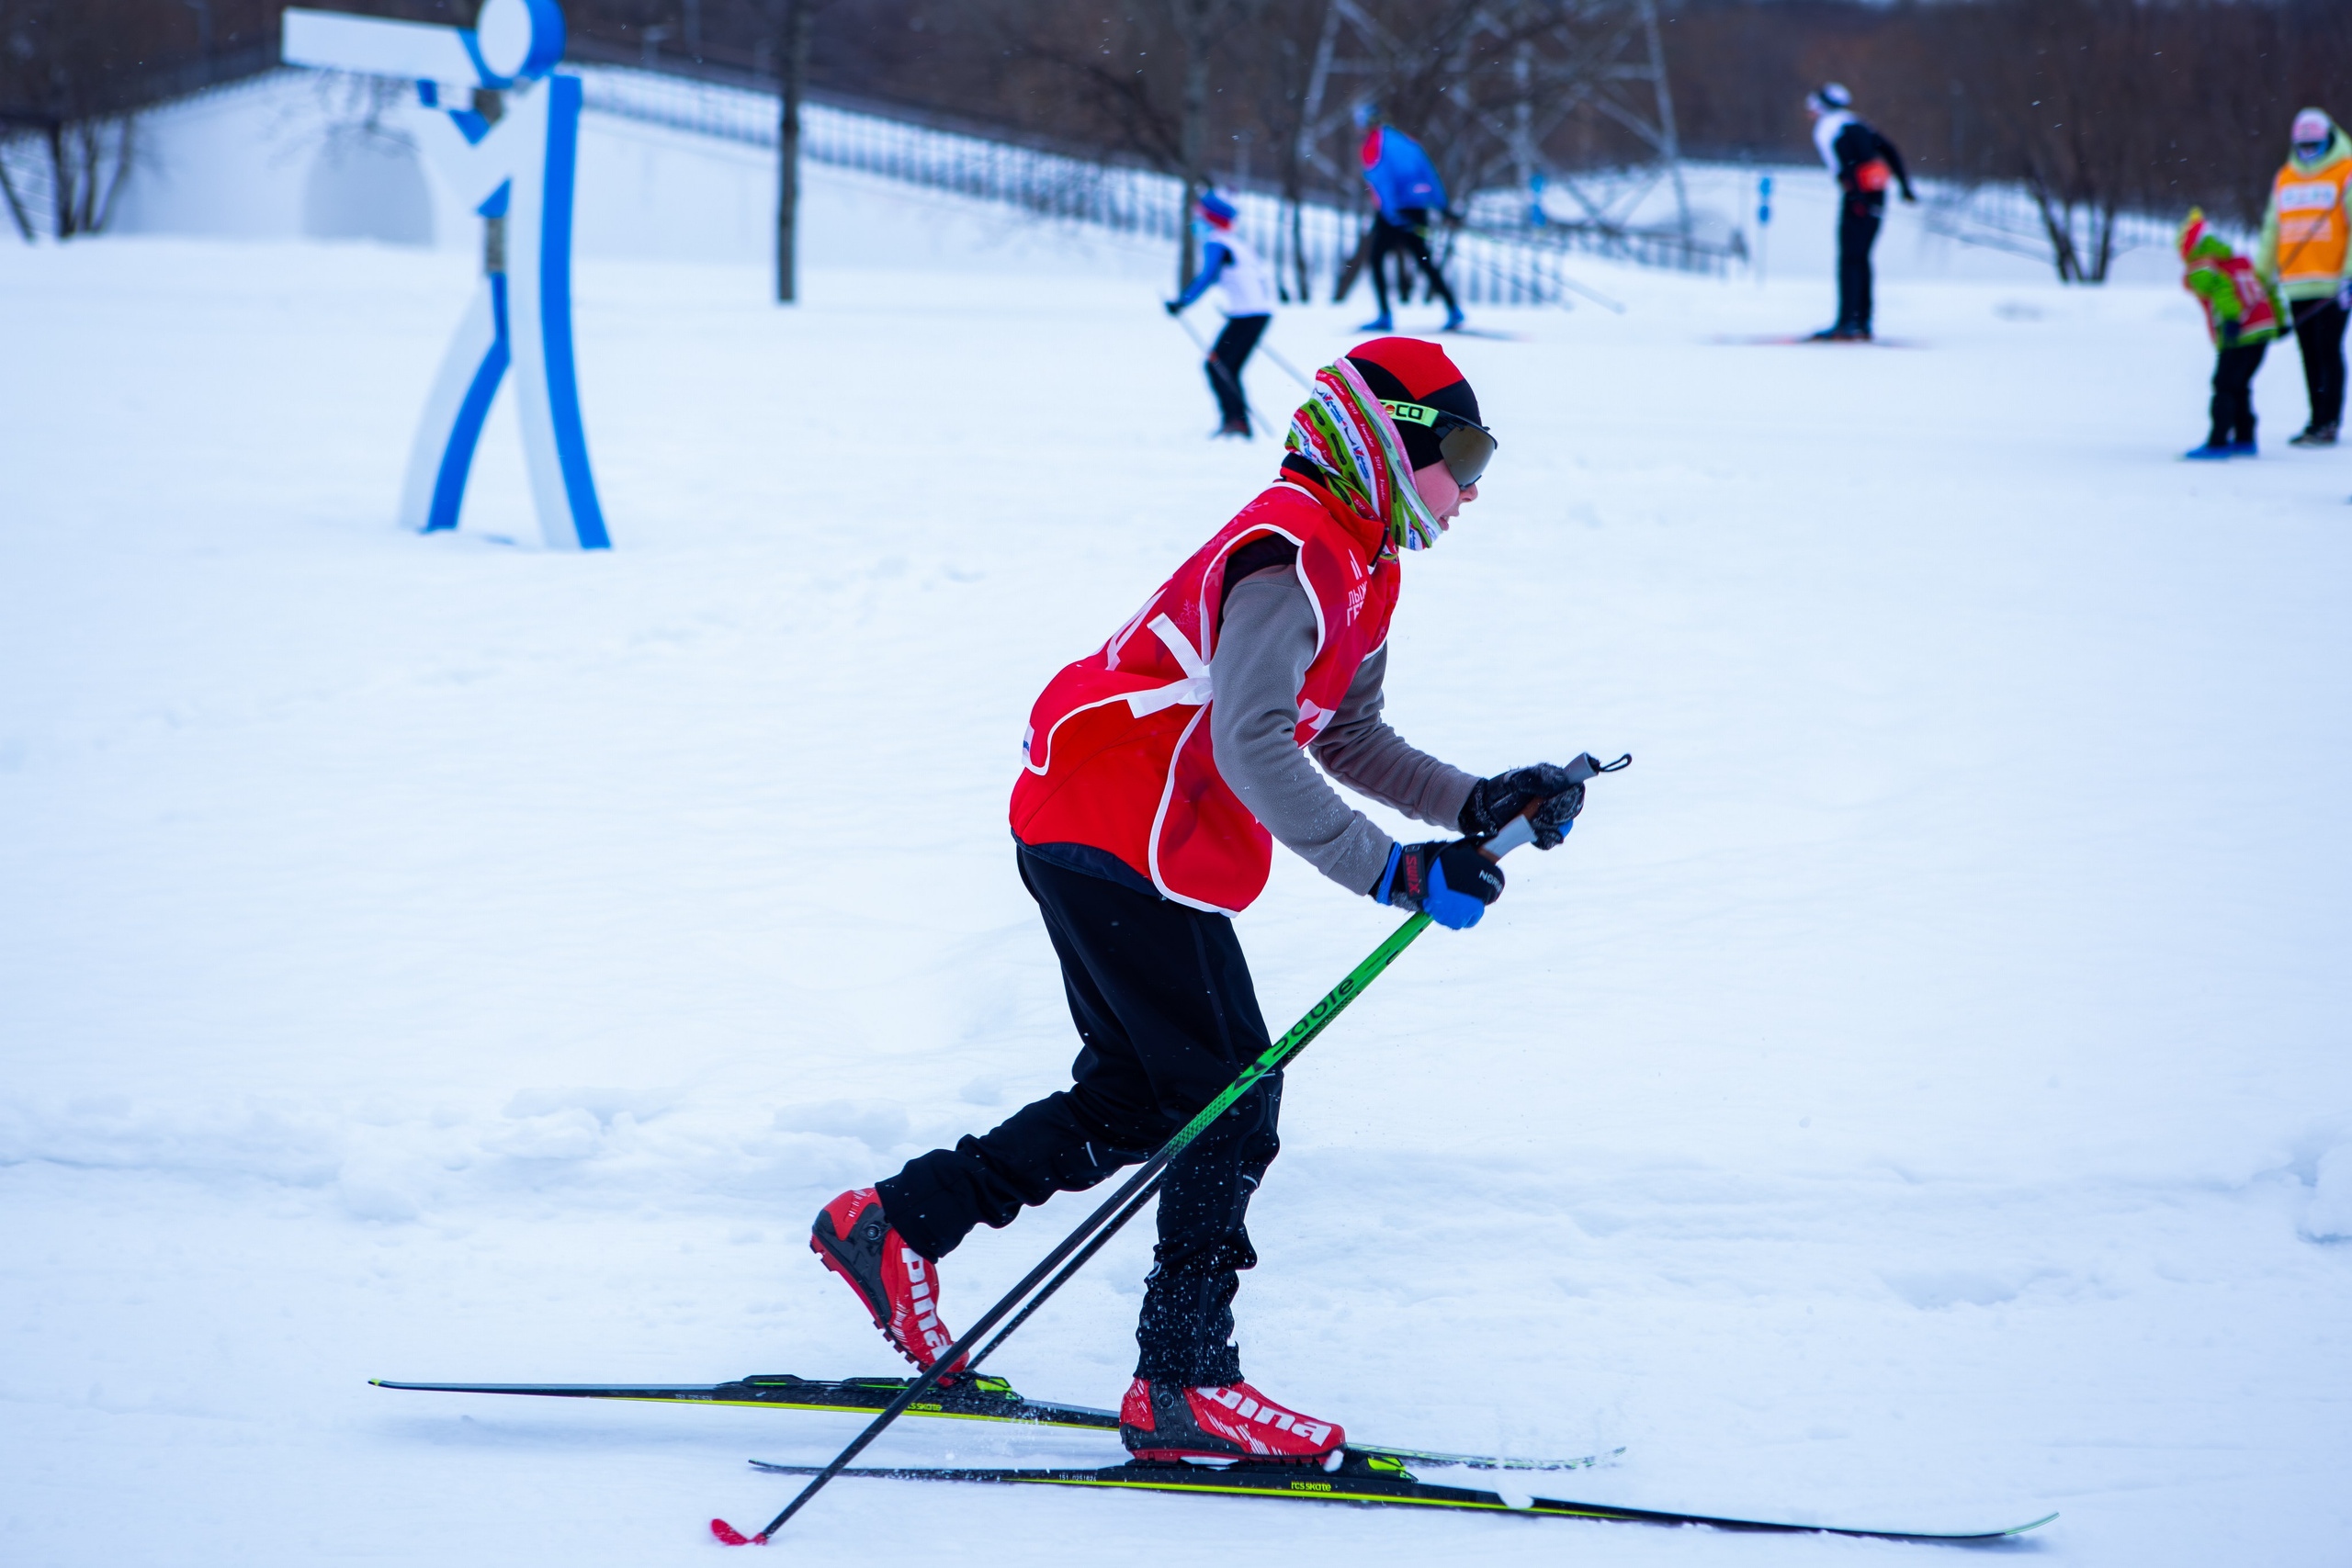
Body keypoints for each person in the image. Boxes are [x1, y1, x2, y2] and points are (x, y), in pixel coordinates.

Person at [809, 338, 1601, 1465]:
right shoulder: (1290, 553)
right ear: (1392, 443)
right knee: (1232, 1093)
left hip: (1108, 835)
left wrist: (1472, 803)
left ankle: (896, 1226)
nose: (1471, 490)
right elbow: (1250, 739)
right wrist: (1392, 871)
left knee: (1147, 1097)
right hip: (1111, 832)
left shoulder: (1360, 562)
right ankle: (1182, 1381)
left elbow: (1345, 733)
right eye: (1462, 455)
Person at [2255, 107, 2352, 447]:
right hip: (2296, 284)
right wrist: (2259, 278)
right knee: (2309, 353)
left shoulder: (2346, 172)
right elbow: (2272, 230)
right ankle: (2316, 420)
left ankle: (2329, 422)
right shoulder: (2285, 178)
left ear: (2329, 140)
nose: (2309, 153)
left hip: (2334, 284)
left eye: (2315, 146)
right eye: (2303, 147)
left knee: (2328, 350)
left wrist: (2349, 276)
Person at [1804, 83, 1915, 342]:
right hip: (1877, 191)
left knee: (1849, 258)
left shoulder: (1828, 127)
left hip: (1858, 195)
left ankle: (1846, 323)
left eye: (1812, 108)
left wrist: (1855, 195)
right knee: (1862, 257)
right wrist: (1905, 186)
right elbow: (1889, 150)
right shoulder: (1858, 122)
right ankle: (1862, 322)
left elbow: (1845, 162)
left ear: (1821, 107)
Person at [1166, 190, 1276, 438]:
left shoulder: (1217, 241)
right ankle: (1237, 422)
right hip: (1254, 314)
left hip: (1248, 315)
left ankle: (1235, 422)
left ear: (1210, 218)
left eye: (1199, 216)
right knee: (1225, 367)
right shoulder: (1235, 242)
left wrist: (1181, 302)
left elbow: (1208, 276)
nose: (1196, 221)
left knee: (1217, 366)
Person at [2178, 208, 2282, 460]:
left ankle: (2218, 441)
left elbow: (2223, 290)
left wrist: (2232, 317)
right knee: (2240, 384)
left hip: (2239, 331)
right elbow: (2265, 286)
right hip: (2262, 329)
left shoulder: (2202, 267)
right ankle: (2245, 438)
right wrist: (2279, 319)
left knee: (2223, 384)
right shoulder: (2240, 261)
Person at [1354, 108, 1465, 334]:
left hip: (1394, 212)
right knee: (1423, 259)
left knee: (1376, 259)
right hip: (1417, 208)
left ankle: (1385, 315)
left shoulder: (1373, 145)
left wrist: (1392, 213)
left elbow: (1382, 181)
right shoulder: (1405, 141)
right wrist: (1442, 207)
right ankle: (1453, 309)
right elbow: (1428, 173)